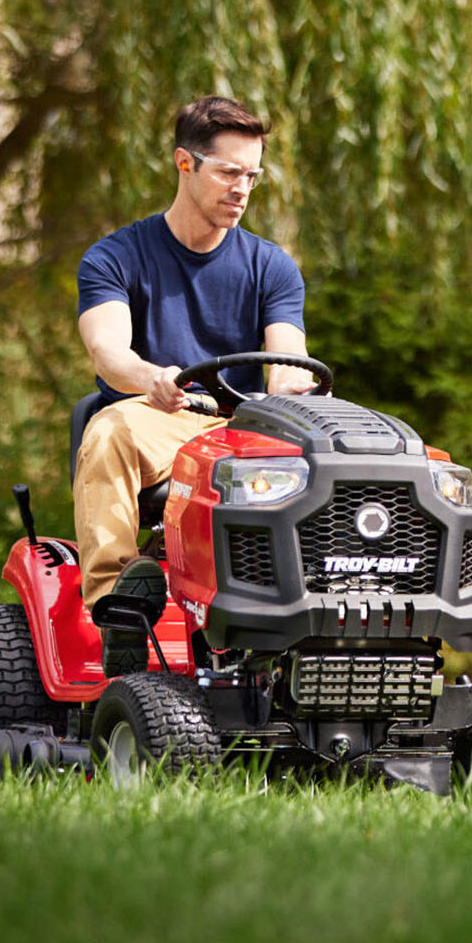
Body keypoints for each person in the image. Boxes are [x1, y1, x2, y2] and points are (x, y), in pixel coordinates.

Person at [73, 95, 313, 606]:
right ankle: (116, 602)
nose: (242, 189)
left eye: (252, 176)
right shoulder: (115, 258)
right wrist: (151, 377)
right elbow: (106, 351)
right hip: (159, 416)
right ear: (185, 163)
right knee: (111, 429)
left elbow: (286, 362)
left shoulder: (272, 268)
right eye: (229, 173)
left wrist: (296, 390)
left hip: (246, 429)